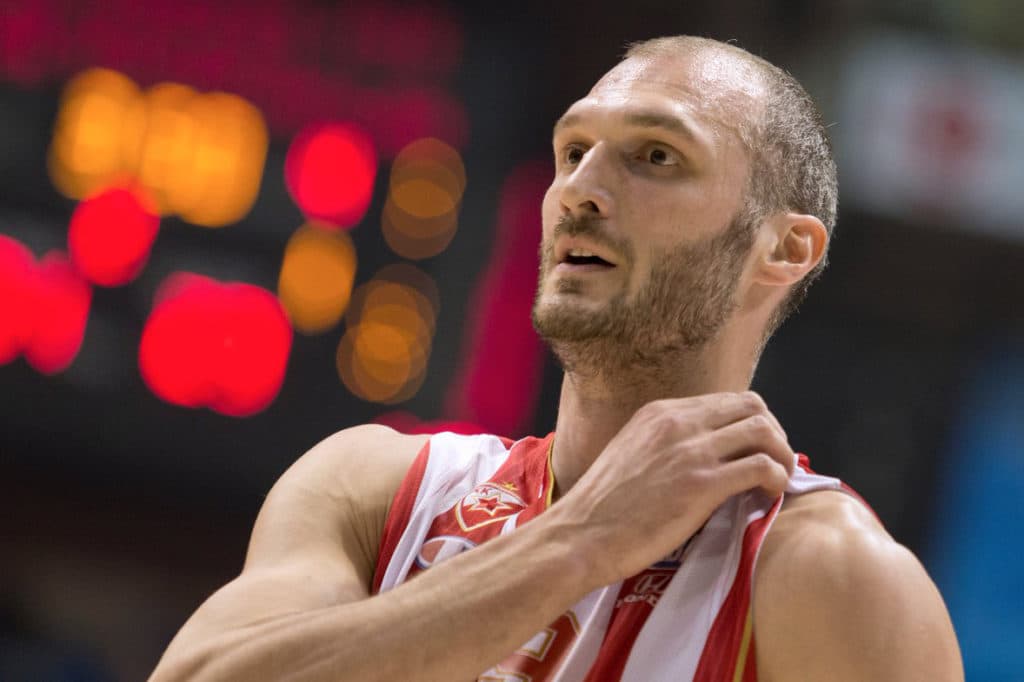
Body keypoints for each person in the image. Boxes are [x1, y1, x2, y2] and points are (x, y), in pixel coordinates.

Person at [150, 36, 963, 681]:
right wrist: (581, 538)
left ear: (784, 248)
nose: (579, 189)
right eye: (573, 151)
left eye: (656, 156)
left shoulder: (827, 574)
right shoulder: (373, 488)